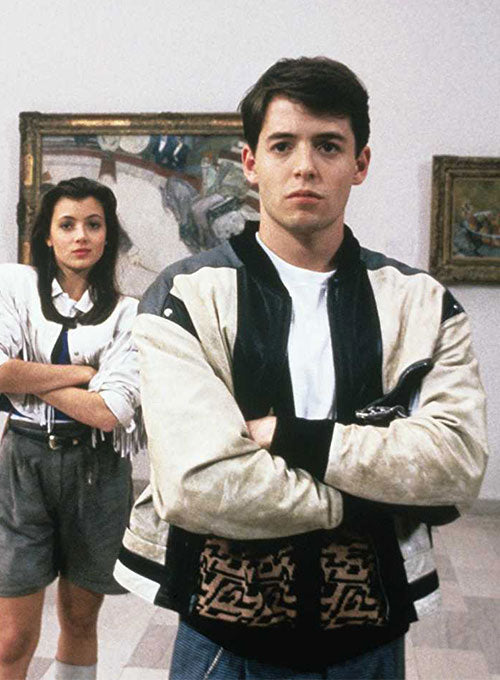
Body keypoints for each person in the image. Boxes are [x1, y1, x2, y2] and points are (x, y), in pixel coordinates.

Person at [114, 57, 489, 679]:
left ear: (360, 163)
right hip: (225, 639)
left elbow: (455, 467)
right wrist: (379, 498)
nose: (305, 166)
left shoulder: (420, 303)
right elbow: (199, 485)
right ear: (250, 162)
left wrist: (288, 437)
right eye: (283, 145)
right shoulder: (187, 293)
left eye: (329, 146)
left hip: (369, 637)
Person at [0, 177, 144, 680]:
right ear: (48, 235)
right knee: (11, 637)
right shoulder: (14, 286)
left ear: (107, 236)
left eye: (93, 225)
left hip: (96, 469)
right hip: (23, 464)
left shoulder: (128, 313)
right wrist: (82, 375)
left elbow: (110, 412)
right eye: (67, 225)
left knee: (80, 620)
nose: (80, 235)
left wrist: (26, 377)